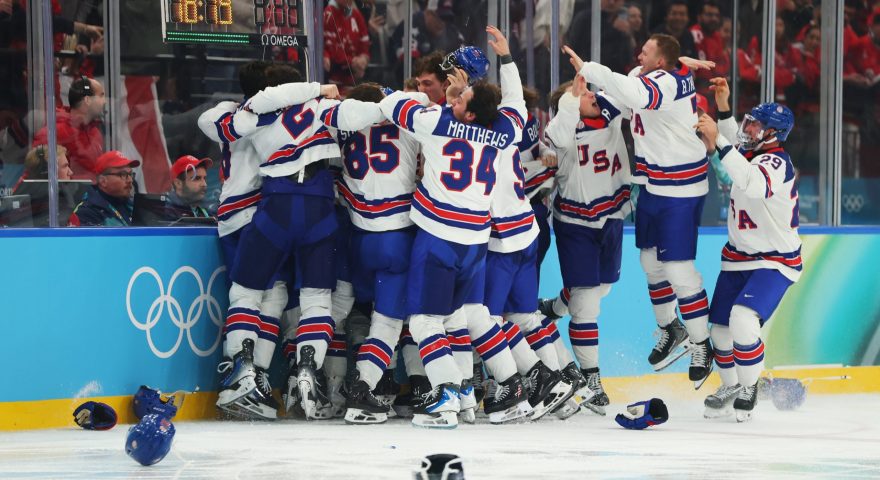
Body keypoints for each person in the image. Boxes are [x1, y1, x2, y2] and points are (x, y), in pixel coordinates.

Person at [379, 26, 527, 429]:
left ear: (470, 111)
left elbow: (395, 107)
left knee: (426, 321)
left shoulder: (437, 122)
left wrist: (437, 100)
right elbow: (517, 106)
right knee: (458, 317)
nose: (457, 95)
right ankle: (463, 397)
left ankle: (444, 397)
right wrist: (508, 59)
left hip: (440, 238)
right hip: (476, 242)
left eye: (463, 97)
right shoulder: (503, 131)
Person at [563, 34, 714, 389]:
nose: (638, 54)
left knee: (678, 269)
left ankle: (701, 344)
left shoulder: (665, 84)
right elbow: (630, 84)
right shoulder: (654, 74)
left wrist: (588, 67)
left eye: (646, 52)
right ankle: (670, 328)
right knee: (649, 261)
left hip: (681, 188)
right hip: (652, 184)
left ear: (660, 62)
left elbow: (633, 92)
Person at [223, 64, 342, 421]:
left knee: (247, 292)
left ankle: (243, 373)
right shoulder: (322, 108)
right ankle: (306, 370)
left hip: (275, 206)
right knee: (317, 300)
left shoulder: (255, 111)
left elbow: (225, 123)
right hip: (321, 208)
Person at [317, 83, 424, 424]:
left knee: (351, 313)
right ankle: (364, 388)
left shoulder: (344, 133)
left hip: (359, 241)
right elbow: (422, 102)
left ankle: (322, 378)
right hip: (398, 238)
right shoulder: (408, 125)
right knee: (391, 322)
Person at [696, 77, 802, 422]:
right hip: (739, 256)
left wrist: (718, 143)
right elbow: (730, 146)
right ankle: (732, 385)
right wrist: (724, 106)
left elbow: (751, 183)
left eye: (756, 124)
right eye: (749, 120)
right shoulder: (749, 151)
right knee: (720, 331)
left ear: (772, 133)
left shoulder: (776, 162)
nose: (749, 127)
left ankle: (750, 386)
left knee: (742, 319)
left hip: (774, 259)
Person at [543, 72, 633, 414]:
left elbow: (629, 94)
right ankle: (591, 377)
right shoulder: (560, 132)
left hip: (610, 218)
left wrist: (591, 73)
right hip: (575, 224)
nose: (590, 94)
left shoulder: (610, 116)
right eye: (581, 93)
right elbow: (560, 133)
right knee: (587, 304)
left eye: (589, 90)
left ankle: (555, 307)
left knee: (603, 288)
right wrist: (569, 100)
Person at [33, 76, 106, 180]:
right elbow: (36, 175)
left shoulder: (95, 132)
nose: (105, 101)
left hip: (88, 194)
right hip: (68, 195)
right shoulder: (54, 133)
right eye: (101, 95)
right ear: (87, 100)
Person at [68, 150, 139, 227]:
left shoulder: (133, 205)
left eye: (130, 174)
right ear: (103, 181)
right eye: (123, 174)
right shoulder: (87, 213)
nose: (130, 180)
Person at [323, 0, 371, 88]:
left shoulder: (356, 15)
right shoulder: (328, 14)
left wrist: (363, 59)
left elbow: (365, 45)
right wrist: (352, 61)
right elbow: (331, 51)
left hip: (355, 80)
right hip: (334, 81)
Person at [161, 155, 213, 221]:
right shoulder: (166, 212)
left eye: (204, 178)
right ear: (178, 183)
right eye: (197, 178)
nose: (204, 184)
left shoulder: (207, 209)